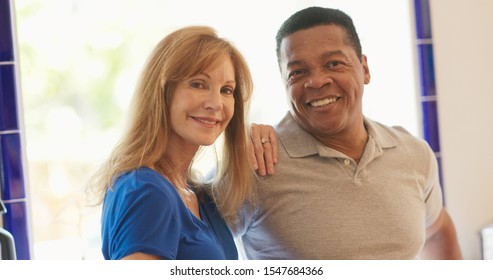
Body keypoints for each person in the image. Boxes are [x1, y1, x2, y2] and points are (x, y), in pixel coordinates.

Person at [239, 6, 462, 259]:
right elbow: (189, 240)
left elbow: (436, 230)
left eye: (333, 64)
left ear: (364, 69)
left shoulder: (413, 154)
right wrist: (228, 141)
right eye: (298, 72)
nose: (317, 81)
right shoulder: (254, 161)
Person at [87, 25, 268, 260]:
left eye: (226, 90)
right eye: (198, 84)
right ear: (161, 92)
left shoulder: (196, 194)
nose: (216, 103)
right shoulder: (146, 190)